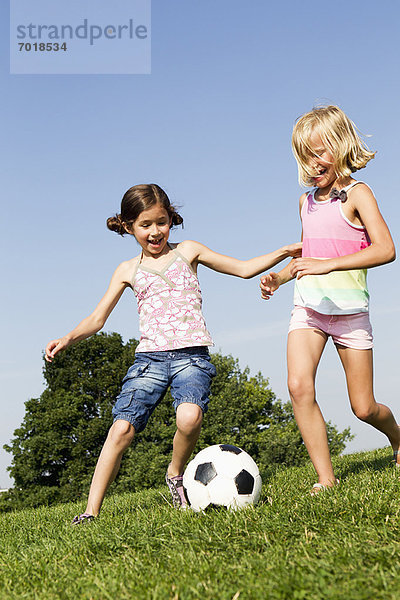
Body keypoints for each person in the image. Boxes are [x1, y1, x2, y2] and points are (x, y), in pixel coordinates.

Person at [46, 183, 301, 521]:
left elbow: (241, 269)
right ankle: (91, 512)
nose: (155, 231)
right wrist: (68, 337)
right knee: (121, 430)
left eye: (162, 222)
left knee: (190, 417)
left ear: (171, 219)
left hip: (191, 357)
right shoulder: (126, 270)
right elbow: (97, 318)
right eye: (145, 225)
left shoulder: (189, 251)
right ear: (128, 226)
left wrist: (283, 252)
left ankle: (175, 472)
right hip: (148, 361)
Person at [260, 105, 399, 494]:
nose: (313, 162)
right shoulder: (305, 202)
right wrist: (280, 277)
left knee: (363, 407)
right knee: (299, 386)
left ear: (340, 147)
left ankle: (398, 438)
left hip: (350, 312)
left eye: (320, 152)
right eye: (306, 155)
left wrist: (327, 265)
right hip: (309, 309)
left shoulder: (358, 194)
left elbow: (386, 249)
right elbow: (310, 256)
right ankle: (326, 479)